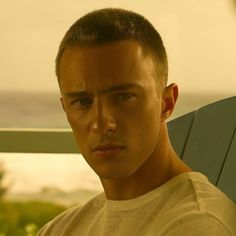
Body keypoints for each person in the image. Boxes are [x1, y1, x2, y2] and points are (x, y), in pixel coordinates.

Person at [37, 8, 236, 236]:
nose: (102, 122)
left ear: (167, 103)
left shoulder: (198, 226)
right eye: (82, 102)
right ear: (66, 110)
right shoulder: (58, 229)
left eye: (123, 97)